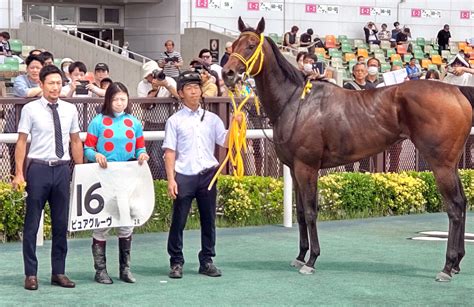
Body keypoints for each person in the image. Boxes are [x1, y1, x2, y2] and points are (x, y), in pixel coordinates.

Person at [163, 70, 242, 279]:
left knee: (208, 219)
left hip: (208, 174)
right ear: (181, 93)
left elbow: (225, 142)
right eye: (189, 88)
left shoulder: (212, 119)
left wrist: (236, 123)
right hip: (184, 175)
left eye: (196, 87)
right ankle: (176, 262)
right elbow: (169, 152)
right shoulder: (174, 120)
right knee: (178, 220)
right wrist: (171, 179)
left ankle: (207, 260)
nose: (194, 91)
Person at [12, 65, 83, 290]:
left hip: (62, 169)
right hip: (38, 169)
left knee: (61, 224)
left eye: (58, 83)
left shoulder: (70, 110)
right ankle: (31, 274)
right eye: (50, 83)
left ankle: (58, 272)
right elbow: (22, 141)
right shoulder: (30, 109)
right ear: (41, 85)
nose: (55, 87)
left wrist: (80, 170)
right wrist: (20, 173)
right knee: (32, 223)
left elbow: (75, 140)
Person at [84, 82, 149, 284]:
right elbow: (88, 148)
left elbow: (139, 148)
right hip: (103, 177)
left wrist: (143, 155)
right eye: (115, 99)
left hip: (127, 177)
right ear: (108, 100)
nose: (119, 103)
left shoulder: (134, 123)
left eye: (123, 99)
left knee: (126, 223)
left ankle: (125, 269)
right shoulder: (98, 122)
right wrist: (96, 156)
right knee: (102, 223)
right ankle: (100, 270)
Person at [137, 60, 178, 179]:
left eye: (155, 73)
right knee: (147, 154)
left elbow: (179, 97)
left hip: (165, 123)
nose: (153, 77)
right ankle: (151, 179)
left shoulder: (169, 80)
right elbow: (143, 105)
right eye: (150, 75)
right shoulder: (142, 85)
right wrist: (154, 90)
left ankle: (164, 179)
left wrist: (166, 85)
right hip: (149, 122)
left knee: (157, 154)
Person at [343, 62, 373, 172]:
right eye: (357, 71)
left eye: (362, 71)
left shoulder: (371, 87)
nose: (360, 73)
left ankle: (364, 171)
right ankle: (349, 172)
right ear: (354, 73)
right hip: (351, 123)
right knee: (349, 148)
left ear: (366, 73)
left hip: (367, 124)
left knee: (367, 149)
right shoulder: (348, 86)